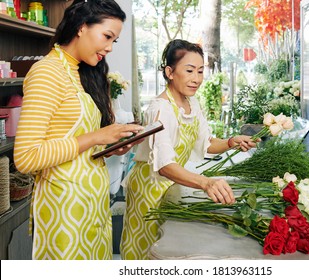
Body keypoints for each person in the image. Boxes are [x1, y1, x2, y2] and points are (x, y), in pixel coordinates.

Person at [13, 0, 143, 260]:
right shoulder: (47, 72)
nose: (108, 47)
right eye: (107, 36)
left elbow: (78, 145)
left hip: (91, 202)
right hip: (65, 209)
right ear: (82, 27)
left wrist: (110, 147)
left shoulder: (82, 73)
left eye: (114, 41)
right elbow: (26, 157)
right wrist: (97, 136)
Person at [120, 39, 259, 260]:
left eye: (201, 71)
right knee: (147, 251)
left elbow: (207, 143)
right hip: (149, 190)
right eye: (190, 70)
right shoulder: (160, 109)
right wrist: (206, 182)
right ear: (170, 72)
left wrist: (231, 141)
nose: (196, 79)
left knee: (167, 249)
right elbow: (164, 166)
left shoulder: (192, 104)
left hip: (173, 185)